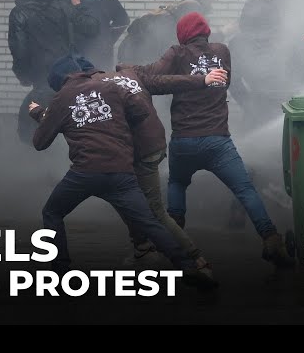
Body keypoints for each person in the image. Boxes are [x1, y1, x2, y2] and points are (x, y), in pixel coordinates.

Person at [27, 56, 220, 289]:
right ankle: (186, 265)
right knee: (149, 221)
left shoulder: (62, 99)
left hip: (83, 175)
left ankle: (60, 272)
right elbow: (139, 112)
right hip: (121, 173)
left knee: (52, 212)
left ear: (59, 82)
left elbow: (40, 142)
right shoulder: (111, 87)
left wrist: (43, 115)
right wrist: (112, 119)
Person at [137, 11, 295, 268]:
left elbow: (152, 79)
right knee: (245, 189)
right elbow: (226, 82)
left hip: (184, 141)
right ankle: (271, 240)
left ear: (183, 35)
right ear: (206, 31)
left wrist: (130, 71)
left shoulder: (176, 53)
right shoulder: (222, 51)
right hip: (218, 142)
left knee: (177, 183)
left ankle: (177, 243)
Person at [97, 58, 227, 271]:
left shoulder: (92, 87)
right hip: (152, 145)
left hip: (139, 151)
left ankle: (195, 259)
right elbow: (166, 81)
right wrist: (202, 79)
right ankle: (143, 250)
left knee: (152, 209)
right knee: (132, 200)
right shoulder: (131, 73)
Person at [7, 0, 99, 145]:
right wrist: (77, 4)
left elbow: (19, 50)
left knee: (33, 121)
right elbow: (91, 28)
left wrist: (23, 75)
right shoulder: (61, 5)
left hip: (42, 77)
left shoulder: (19, 13)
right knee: (68, 115)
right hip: (68, 71)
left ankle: (38, 163)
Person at [52, 0, 129, 72]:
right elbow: (122, 19)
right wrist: (106, 41)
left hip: (74, 62)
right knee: (102, 87)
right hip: (102, 59)